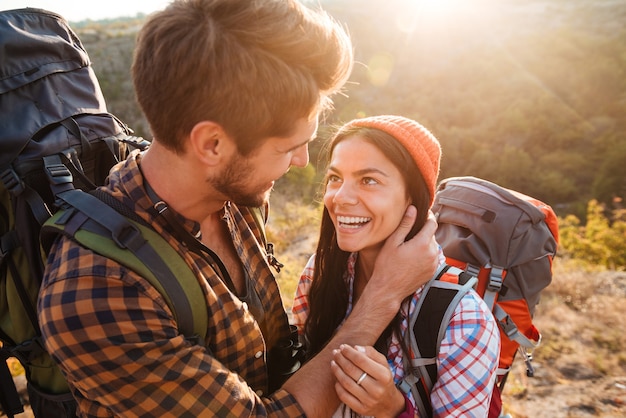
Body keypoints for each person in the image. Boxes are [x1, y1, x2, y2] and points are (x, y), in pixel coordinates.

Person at [37, 1, 440, 417]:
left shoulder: (235, 196)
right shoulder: (98, 292)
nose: (302, 161)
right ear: (212, 145)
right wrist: (383, 296)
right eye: (288, 147)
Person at [292, 115, 501, 417]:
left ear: (412, 199)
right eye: (335, 178)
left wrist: (394, 409)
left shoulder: (464, 320)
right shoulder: (319, 272)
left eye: (369, 180)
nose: (341, 198)